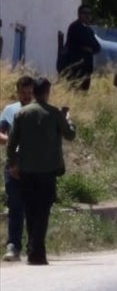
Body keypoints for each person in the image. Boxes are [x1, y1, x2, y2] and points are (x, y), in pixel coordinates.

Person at [5, 78, 76, 265]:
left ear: (34, 92)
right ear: (46, 92)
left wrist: (12, 164)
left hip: (26, 171)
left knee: (30, 209)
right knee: (43, 211)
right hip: (47, 171)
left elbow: (11, 144)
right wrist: (69, 119)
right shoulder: (54, 114)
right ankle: (37, 251)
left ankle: (31, 249)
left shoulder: (21, 113)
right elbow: (70, 134)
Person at [0, 75, 34, 261]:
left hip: (35, 166)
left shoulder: (40, 111)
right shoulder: (10, 110)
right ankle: (13, 245)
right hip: (14, 164)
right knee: (15, 205)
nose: (27, 96)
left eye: (30, 93)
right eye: (23, 93)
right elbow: (0, 133)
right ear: (18, 92)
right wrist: (12, 142)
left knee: (33, 207)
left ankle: (34, 245)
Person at [60, 5, 101, 91]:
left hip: (87, 69)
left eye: (89, 13)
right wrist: (86, 47)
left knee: (84, 93)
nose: (87, 16)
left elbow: (97, 47)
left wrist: (90, 49)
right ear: (79, 14)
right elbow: (78, 42)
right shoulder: (74, 27)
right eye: (85, 13)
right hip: (76, 68)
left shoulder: (89, 30)